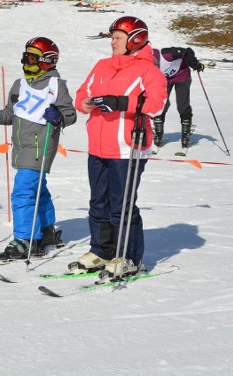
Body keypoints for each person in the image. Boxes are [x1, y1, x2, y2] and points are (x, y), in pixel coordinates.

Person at [70, 17, 167, 277]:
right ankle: (102, 251)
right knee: (98, 202)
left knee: (121, 205)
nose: (112, 42)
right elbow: (81, 93)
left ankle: (129, 257)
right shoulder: (102, 66)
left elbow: (156, 106)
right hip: (98, 147)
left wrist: (122, 103)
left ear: (135, 40)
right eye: (112, 37)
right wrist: (85, 104)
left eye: (117, 38)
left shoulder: (149, 71)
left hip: (127, 148)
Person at [0, 37, 77, 261]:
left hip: (39, 148)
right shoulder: (19, 84)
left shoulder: (56, 86)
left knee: (22, 193)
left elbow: (70, 115)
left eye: (32, 57)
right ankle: (46, 231)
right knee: (38, 190)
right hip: (20, 148)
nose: (26, 61)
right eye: (25, 56)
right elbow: (11, 113)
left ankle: (26, 239)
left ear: (47, 61)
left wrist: (59, 116)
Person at [151, 46, 205, 148]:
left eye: (154, 63)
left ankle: (186, 134)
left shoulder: (167, 54)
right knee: (161, 104)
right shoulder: (146, 65)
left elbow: (187, 51)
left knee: (182, 105)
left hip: (182, 76)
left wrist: (194, 64)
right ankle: (158, 133)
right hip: (164, 79)